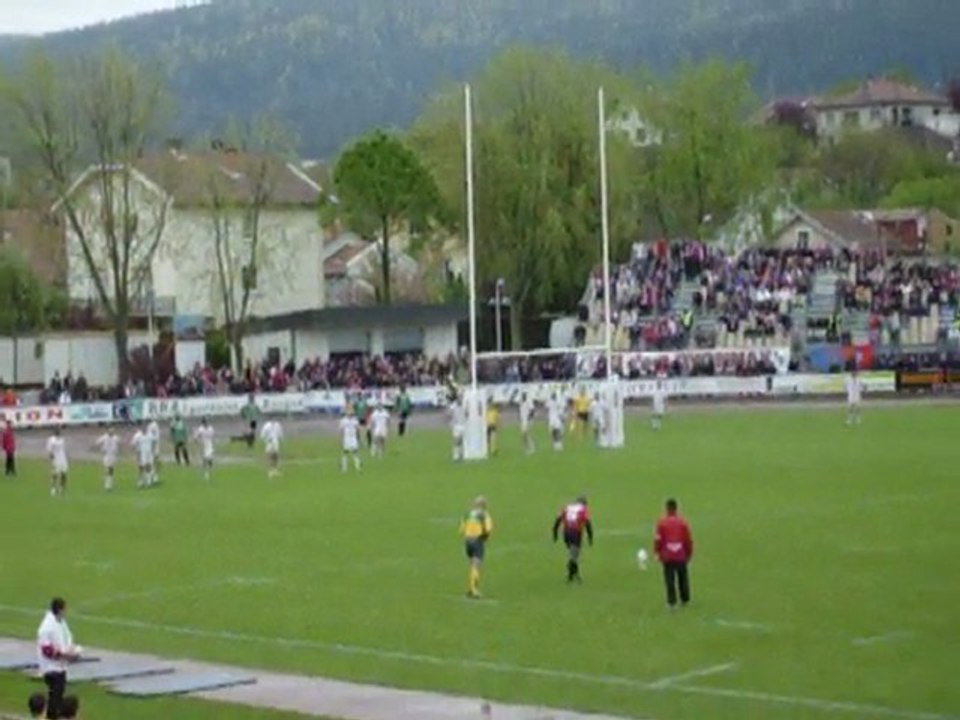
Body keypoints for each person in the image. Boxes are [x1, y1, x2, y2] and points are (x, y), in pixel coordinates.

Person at [37, 597, 79, 719]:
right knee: (55, 695)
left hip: (60, 665)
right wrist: (64, 655)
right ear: (60, 610)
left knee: (58, 693)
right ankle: (53, 716)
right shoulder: (47, 627)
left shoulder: (59, 621)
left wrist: (71, 650)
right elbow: (46, 649)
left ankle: (55, 715)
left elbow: (67, 638)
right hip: (51, 667)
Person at [654, 498, 694, 610]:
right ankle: (685, 599)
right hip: (681, 554)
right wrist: (689, 553)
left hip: (667, 555)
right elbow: (687, 539)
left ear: (666, 509)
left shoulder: (662, 523)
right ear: (676, 509)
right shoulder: (682, 523)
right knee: (683, 577)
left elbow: (658, 539)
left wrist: (657, 552)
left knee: (669, 579)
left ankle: (671, 602)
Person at [552, 495, 594, 583]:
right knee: (574, 555)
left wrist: (555, 532)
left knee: (573, 554)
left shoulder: (567, 507)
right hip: (575, 532)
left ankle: (574, 575)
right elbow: (588, 523)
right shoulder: (583, 509)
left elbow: (558, 519)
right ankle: (571, 575)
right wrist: (590, 537)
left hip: (566, 532)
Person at [459, 496, 493, 599]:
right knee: (476, 565)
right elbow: (488, 529)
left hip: (467, 541)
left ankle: (471, 588)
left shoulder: (467, 514)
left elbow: (461, 530)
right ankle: (473, 590)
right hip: (477, 541)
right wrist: (484, 537)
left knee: (472, 565)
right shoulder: (484, 515)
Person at [95, 426, 120, 491]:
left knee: (111, 469)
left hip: (113, 455)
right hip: (106, 455)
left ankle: (110, 481)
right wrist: (101, 449)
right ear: (108, 431)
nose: (111, 432)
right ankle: (107, 484)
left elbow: (118, 445)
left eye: (113, 431)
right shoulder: (104, 437)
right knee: (107, 468)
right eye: (110, 431)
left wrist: (117, 451)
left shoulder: (116, 438)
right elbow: (97, 443)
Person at [46, 427, 68, 497]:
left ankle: (61, 488)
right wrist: (52, 458)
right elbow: (49, 450)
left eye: (59, 431)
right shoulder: (51, 440)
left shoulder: (62, 439)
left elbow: (63, 449)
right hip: (56, 458)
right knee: (55, 474)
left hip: (63, 458)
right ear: (54, 431)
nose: (58, 432)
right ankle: (53, 489)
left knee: (64, 473)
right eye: (57, 431)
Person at [131, 424, 155, 489]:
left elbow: (153, 442)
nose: (144, 429)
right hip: (141, 453)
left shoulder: (150, 435)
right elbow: (133, 444)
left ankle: (149, 481)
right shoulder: (138, 436)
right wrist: (137, 452)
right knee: (141, 467)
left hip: (149, 453)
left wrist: (153, 450)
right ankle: (140, 481)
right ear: (141, 428)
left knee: (149, 466)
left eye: (146, 428)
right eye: (143, 428)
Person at [339, 406, 362, 472]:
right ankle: (344, 468)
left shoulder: (355, 420)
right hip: (346, 438)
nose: (350, 414)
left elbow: (358, 429)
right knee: (345, 452)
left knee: (355, 452)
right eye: (349, 413)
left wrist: (359, 437)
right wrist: (341, 439)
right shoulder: (343, 420)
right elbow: (341, 430)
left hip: (353, 438)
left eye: (351, 413)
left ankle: (358, 467)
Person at [449, 394, 466, 462]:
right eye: (459, 398)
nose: (460, 399)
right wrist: (452, 419)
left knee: (461, 441)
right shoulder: (453, 406)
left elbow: (466, 414)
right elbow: (448, 413)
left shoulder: (464, 405)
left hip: (463, 425)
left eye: (461, 398)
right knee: (456, 441)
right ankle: (456, 456)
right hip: (456, 426)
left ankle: (461, 455)